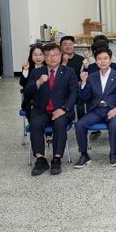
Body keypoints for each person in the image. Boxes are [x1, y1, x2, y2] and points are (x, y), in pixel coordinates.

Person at [23, 43, 78, 176]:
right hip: (41, 110)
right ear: (44, 57)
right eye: (48, 55)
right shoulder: (37, 72)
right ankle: (40, 160)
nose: (52, 58)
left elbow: (74, 93)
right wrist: (38, 82)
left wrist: (64, 108)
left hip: (62, 110)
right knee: (35, 124)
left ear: (61, 56)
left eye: (55, 55)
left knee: (60, 123)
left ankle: (57, 159)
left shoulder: (69, 72)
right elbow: (27, 91)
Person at [73, 47, 116, 168]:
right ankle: (84, 155)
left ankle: (113, 154)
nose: (103, 61)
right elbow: (85, 97)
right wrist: (83, 83)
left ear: (110, 60)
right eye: (99, 59)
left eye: (105, 58)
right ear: (96, 61)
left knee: (114, 125)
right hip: (96, 110)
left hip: (113, 109)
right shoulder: (91, 77)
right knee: (79, 125)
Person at [20, 44, 45, 119]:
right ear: (31, 56)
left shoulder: (49, 67)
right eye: (35, 55)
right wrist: (25, 70)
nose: (38, 57)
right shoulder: (28, 67)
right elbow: (23, 83)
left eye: (40, 54)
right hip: (31, 98)